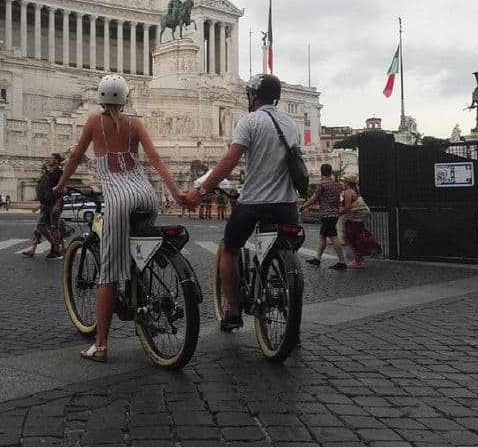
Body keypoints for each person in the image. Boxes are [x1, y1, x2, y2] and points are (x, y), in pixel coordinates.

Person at [54, 74, 185, 362]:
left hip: (118, 198)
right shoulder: (135, 123)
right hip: (146, 195)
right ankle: (146, 311)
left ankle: (100, 346)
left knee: (109, 274)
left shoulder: (93, 122)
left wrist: (61, 185)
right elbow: (156, 160)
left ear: (100, 98)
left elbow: (76, 156)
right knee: (142, 259)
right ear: (125, 99)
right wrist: (176, 193)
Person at [184, 74, 301, 331]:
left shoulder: (250, 121)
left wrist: (202, 191)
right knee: (287, 245)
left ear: (253, 96)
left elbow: (228, 163)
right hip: (287, 204)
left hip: (254, 201)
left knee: (230, 249)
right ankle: (284, 286)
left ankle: (234, 312)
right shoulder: (291, 125)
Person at [300, 163, 347, 270]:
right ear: (331, 172)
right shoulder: (336, 184)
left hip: (326, 214)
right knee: (322, 236)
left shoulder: (322, 185)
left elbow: (313, 199)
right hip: (335, 213)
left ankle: (341, 262)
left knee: (333, 237)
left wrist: (303, 206)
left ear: (321, 172)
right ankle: (317, 258)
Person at [21, 154, 65, 259]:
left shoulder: (60, 173)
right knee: (40, 225)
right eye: (48, 158)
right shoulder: (49, 173)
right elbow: (46, 191)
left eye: (51, 158)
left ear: (57, 160)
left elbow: (62, 188)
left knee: (54, 227)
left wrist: (58, 204)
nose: (48, 159)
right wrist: (39, 205)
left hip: (54, 204)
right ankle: (56, 246)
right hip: (45, 204)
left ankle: (56, 249)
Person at [339, 174, 381, 268]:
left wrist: (338, 214)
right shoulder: (354, 191)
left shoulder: (348, 192)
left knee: (353, 238)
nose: (342, 183)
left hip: (353, 218)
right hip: (356, 218)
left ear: (347, 182)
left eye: (343, 181)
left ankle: (359, 259)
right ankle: (364, 254)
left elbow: (347, 207)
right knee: (358, 235)